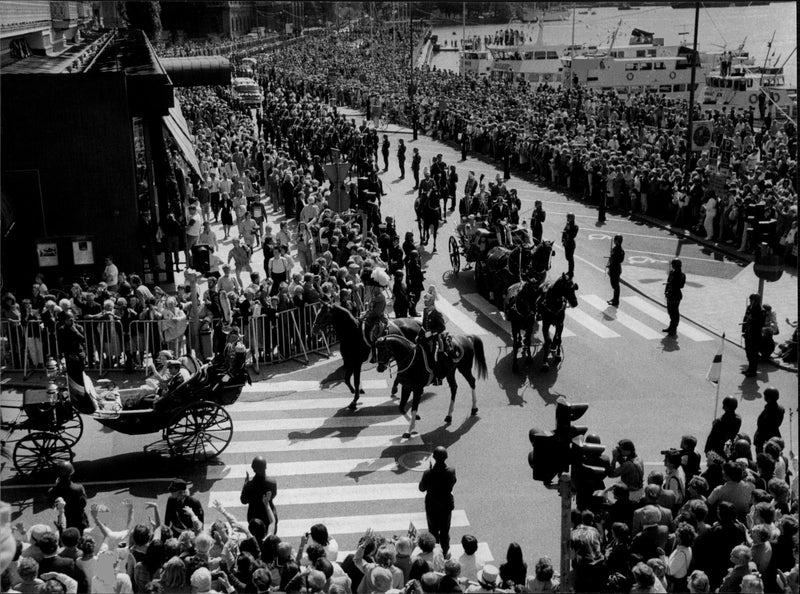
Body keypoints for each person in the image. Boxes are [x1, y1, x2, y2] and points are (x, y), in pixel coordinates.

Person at [418, 446, 457, 557]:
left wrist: (429, 471)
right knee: (445, 531)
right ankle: (444, 552)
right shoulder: (451, 471)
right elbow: (452, 483)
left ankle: (434, 551)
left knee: (433, 530)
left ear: (434, 458)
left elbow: (421, 488)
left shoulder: (428, 473)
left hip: (432, 506)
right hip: (446, 505)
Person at [46, 461, 88, 533]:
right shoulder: (78, 488)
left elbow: (51, 505)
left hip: (65, 520)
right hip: (79, 519)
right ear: (70, 474)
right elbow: (84, 503)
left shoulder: (52, 491)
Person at [240, 455, 278, 533]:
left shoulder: (249, 485)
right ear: (265, 467)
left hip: (254, 519)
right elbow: (273, 495)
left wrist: (245, 483)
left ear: (253, 469)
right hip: (269, 517)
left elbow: (243, 500)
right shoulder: (272, 482)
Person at [418, 286, 446, 385]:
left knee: (434, 357)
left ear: (431, 301)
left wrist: (432, 332)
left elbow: (442, 327)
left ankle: (437, 378)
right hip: (425, 336)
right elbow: (423, 325)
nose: (425, 302)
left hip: (434, 339)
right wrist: (419, 335)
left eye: (427, 301)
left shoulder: (437, 313)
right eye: (425, 300)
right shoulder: (426, 310)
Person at [363, 268, 390, 363]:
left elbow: (377, 312)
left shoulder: (381, 297)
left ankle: (375, 356)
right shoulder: (375, 296)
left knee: (374, 334)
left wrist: (367, 314)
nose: (370, 288)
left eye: (372, 287)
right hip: (372, 317)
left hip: (379, 319)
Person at [753, 387, 784, 453]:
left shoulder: (769, 410)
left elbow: (762, 425)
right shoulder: (781, 408)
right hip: (775, 434)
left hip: (764, 437)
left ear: (768, 398)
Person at [741, 293, 766, 377]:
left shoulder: (761, 311)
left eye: (752, 300)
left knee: (753, 354)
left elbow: (760, 324)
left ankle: (753, 371)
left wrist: (753, 320)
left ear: (756, 301)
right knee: (748, 352)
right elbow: (745, 318)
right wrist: (743, 331)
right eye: (750, 300)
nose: (750, 301)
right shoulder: (749, 307)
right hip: (748, 334)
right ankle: (750, 368)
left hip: (755, 336)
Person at [663, 258, 686, 336]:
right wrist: (665, 291)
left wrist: (675, 282)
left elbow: (681, 285)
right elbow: (668, 282)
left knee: (674, 312)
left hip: (676, 295)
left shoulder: (682, 275)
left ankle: (673, 328)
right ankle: (671, 327)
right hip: (670, 294)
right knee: (670, 311)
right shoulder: (671, 273)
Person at [606, 235, 624, 307]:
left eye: (615, 240)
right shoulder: (615, 249)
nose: (614, 241)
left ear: (618, 241)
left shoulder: (620, 251)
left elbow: (620, 260)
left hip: (616, 269)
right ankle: (614, 298)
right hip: (613, 268)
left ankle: (616, 301)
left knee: (615, 286)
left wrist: (613, 257)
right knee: (613, 284)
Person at [562, 213, 578, 279]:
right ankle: (570, 270)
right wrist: (563, 240)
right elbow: (564, 232)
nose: (567, 218)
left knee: (570, 258)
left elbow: (573, 235)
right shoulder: (567, 224)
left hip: (571, 244)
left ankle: (571, 271)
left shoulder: (575, 226)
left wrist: (568, 230)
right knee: (567, 257)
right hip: (566, 243)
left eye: (568, 217)